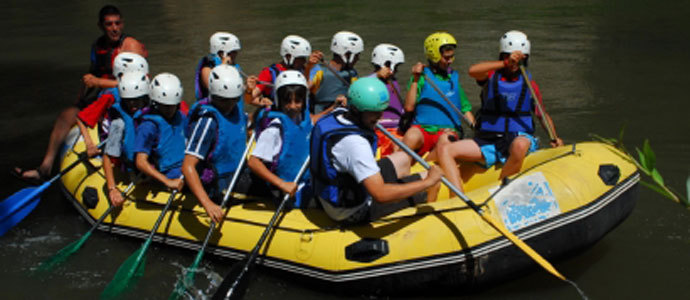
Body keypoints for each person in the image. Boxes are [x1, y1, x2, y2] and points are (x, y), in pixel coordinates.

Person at [13, 5, 146, 182]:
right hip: (102, 96)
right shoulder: (97, 47)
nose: (114, 28)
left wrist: (99, 83)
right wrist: (81, 99)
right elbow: (92, 76)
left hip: (125, 99)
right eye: (109, 24)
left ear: (122, 23)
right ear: (101, 26)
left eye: (117, 23)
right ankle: (45, 168)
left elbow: (141, 83)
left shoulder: (131, 46)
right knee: (66, 116)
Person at [436, 30, 564, 192]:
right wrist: (505, 63)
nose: (514, 63)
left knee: (520, 144)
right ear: (503, 56)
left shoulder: (529, 84)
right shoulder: (491, 76)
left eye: (519, 59)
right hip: (489, 140)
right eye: (509, 57)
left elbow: (541, 114)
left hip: (518, 137)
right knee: (447, 149)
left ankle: (501, 190)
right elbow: (473, 71)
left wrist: (554, 137)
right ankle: (458, 197)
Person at [310, 77, 443, 224]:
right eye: (374, 113)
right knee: (431, 181)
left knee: (403, 159)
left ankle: (404, 204)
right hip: (350, 210)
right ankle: (426, 223)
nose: (380, 117)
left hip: (336, 192)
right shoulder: (355, 144)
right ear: (356, 110)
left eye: (381, 111)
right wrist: (428, 182)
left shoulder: (337, 114)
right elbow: (380, 194)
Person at [183, 65, 249, 224]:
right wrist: (208, 204)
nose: (228, 105)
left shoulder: (237, 112)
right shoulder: (207, 121)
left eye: (233, 100)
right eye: (223, 100)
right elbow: (188, 166)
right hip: (218, 186)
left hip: (239, 176)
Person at [401, 32, 474, 160]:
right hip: (423, 129)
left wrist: (477, 128)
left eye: (452, 57)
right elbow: (408, 107)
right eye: (446, 58)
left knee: (445, 141)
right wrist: (415, 79)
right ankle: (398, 165)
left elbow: (465, 109)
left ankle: (424, 167)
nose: (450, 61)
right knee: (412, 135)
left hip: (448, 131)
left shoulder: (454, 79)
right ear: (434, 56)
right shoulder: (421, 77)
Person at [248, 71, 313, 208]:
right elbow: (253, 162)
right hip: (283, 188)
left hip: (304, 181)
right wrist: (282, 184)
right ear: (278, 100)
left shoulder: (302, 117)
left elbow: (313, 121)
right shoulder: (274, 129)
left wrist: (333, 108)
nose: (293, 106)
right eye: (287, 101)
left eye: (298, 101)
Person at [75, 52, 149, 158]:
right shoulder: (110, 97)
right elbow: (81, 118)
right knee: (119, 124)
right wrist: (89, 144)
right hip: (113, 139)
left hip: (138, 136)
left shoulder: (147, 95)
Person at [102, 71, 149, 206]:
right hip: (138, 174)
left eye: (137, 99)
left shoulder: (156, 114)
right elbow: (107, 157)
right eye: (128, 100)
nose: (132, 104)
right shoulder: (119, 124)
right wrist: (112, 189)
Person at [134, 73, 187, 194]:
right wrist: (166, 181)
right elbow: (140, 162)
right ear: (155, 103)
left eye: (173, 106)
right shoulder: (148, 127)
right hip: (167, 176)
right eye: (165, 106)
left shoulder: (181, 117)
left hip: (185, 170)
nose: (170, 110)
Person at [309, 31, 363, 116]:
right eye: (356, 55)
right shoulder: (319, 70)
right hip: (322, 117)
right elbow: (304, 88)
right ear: (347, 54)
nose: (358, 59)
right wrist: (309, 66)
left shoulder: (352, 73)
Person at [253, 35, 320, 98]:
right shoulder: (269, 73)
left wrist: (309, 66)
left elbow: (306, 87)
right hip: (276, 109)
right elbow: (252, 95)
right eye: (300, 58)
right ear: (288, 56)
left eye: (304, 58)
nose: (304, 61)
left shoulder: (304, 70)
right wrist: (261, 100)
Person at [369, 43, 405, 156]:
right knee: (397, 144)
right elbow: (362, 85)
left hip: (398, 128)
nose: (397, 70)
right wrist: (377, 76)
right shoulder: (370, 83)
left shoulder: (393, 82)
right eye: (396, 67)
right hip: (382, 130)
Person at [194, 32, 242, 100]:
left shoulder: (234, 67)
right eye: (233, 52)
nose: (236, 54)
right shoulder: (206, 70)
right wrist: (223, 66)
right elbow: (216, 89)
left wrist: (248, 88)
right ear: (222, 53)